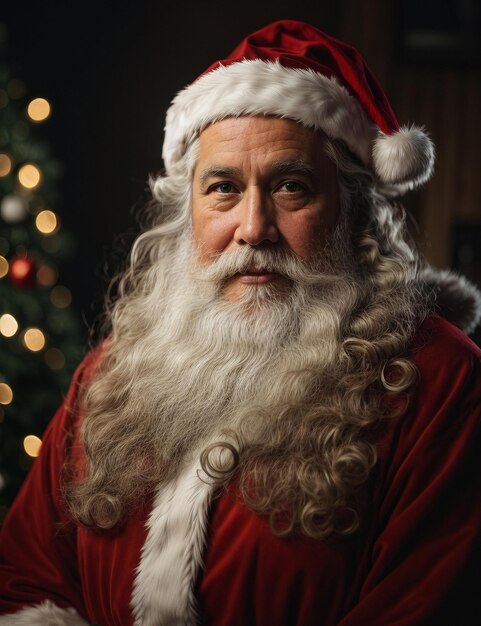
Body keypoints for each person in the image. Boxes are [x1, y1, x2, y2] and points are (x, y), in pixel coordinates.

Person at [1, 19, 481, 626]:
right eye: (223, 188)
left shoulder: (440, 382)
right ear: (190, 212)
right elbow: (22, 575)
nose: (253, 227)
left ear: (351, 212)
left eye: (291, 187)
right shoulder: (111, 373)